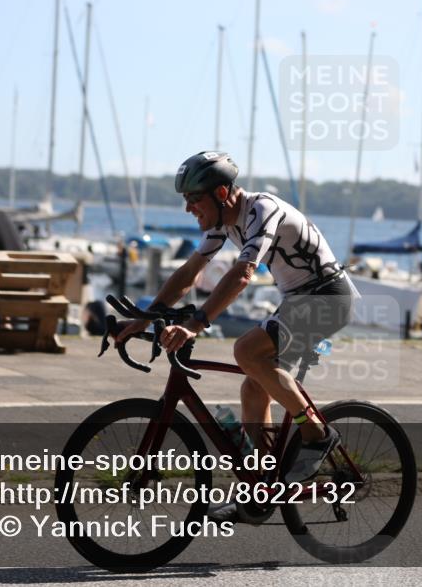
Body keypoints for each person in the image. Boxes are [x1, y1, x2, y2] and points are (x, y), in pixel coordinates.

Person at [115, 151, 355, 491]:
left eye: (194, 199)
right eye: (185, 200)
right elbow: (189, 273)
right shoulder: (222, 223)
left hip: (327, 296)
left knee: (246, 352)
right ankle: (264, 485)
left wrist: (195, 324)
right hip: (299, 300)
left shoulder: (262, 210)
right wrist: (145, 318)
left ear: (222, 193)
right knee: (254, 388)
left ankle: (316, 432)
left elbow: (243, 274)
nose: (188, 208)